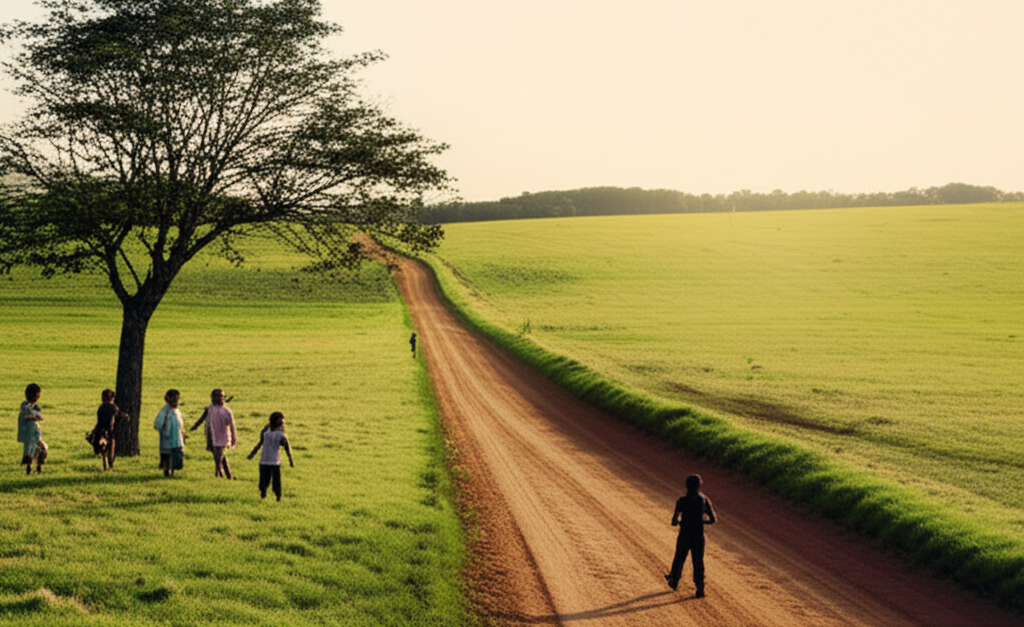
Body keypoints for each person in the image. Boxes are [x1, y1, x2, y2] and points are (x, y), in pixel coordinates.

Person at [665, 474, 717, 597]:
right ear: (699, 486)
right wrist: (701, 521)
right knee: (698, 561)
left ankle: (674, 580)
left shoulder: (681, 501)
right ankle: (700, 588)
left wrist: (679, 521)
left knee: (679, 557)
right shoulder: (704, 500)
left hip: (685, 534)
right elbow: (712, 519)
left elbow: (673, 521)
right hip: (698, 535)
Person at [247, 411, 294, 501]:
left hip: (274, 461)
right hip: (265, 459)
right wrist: (252, 454)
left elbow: (286, 446)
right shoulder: (267, 430)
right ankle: (264, 494)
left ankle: (277, 497)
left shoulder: (281, 433)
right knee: (264, 481)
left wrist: (290, 460)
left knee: (276, 482)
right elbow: (260, 442)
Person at [204, 389, 237, 478]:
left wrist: (234, 439)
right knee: (218, 455)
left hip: (223, 436)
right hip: (213, 435)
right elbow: (208, 423)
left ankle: (218, 470)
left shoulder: (227, 411)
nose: (218, 398)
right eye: (216, 396)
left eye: (220, 396)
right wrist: (207, 435)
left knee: (219, 453)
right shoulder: (211, 408)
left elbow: (232, 426)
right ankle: (226, 473)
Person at [153, 389, 185, 477]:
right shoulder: (165, 411)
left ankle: (173, 471)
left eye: (177, 399)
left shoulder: (177, 411)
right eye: (173, 399)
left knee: (175, 455)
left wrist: (182, 434)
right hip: (167, 438)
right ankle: (166, 472)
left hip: (177, 438)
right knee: (167, 456)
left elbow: (180, 424)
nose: (175, 401)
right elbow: (158, 424)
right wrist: (164, 430)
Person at [17, 383, 47, 475]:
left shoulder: (36, 406)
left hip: (35, 431)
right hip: (30, 433)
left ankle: (36, 467)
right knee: (38, 448)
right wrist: (34, 417)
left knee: (37, 449)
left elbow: (37, 415)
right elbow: (25, 416)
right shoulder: (25, 405)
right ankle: (34, 467)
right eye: (37, 395)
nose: (37, 397)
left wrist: (38, 417)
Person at [89, 389, 120, 470]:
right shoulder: (114, 408)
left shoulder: (101, 407)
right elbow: (117, 418)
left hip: (100, 430)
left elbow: (99, 421)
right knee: (111, 449)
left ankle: (105, 464)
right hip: (110, 432)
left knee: (103, 450)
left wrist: (93, 432)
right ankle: (111, 466)